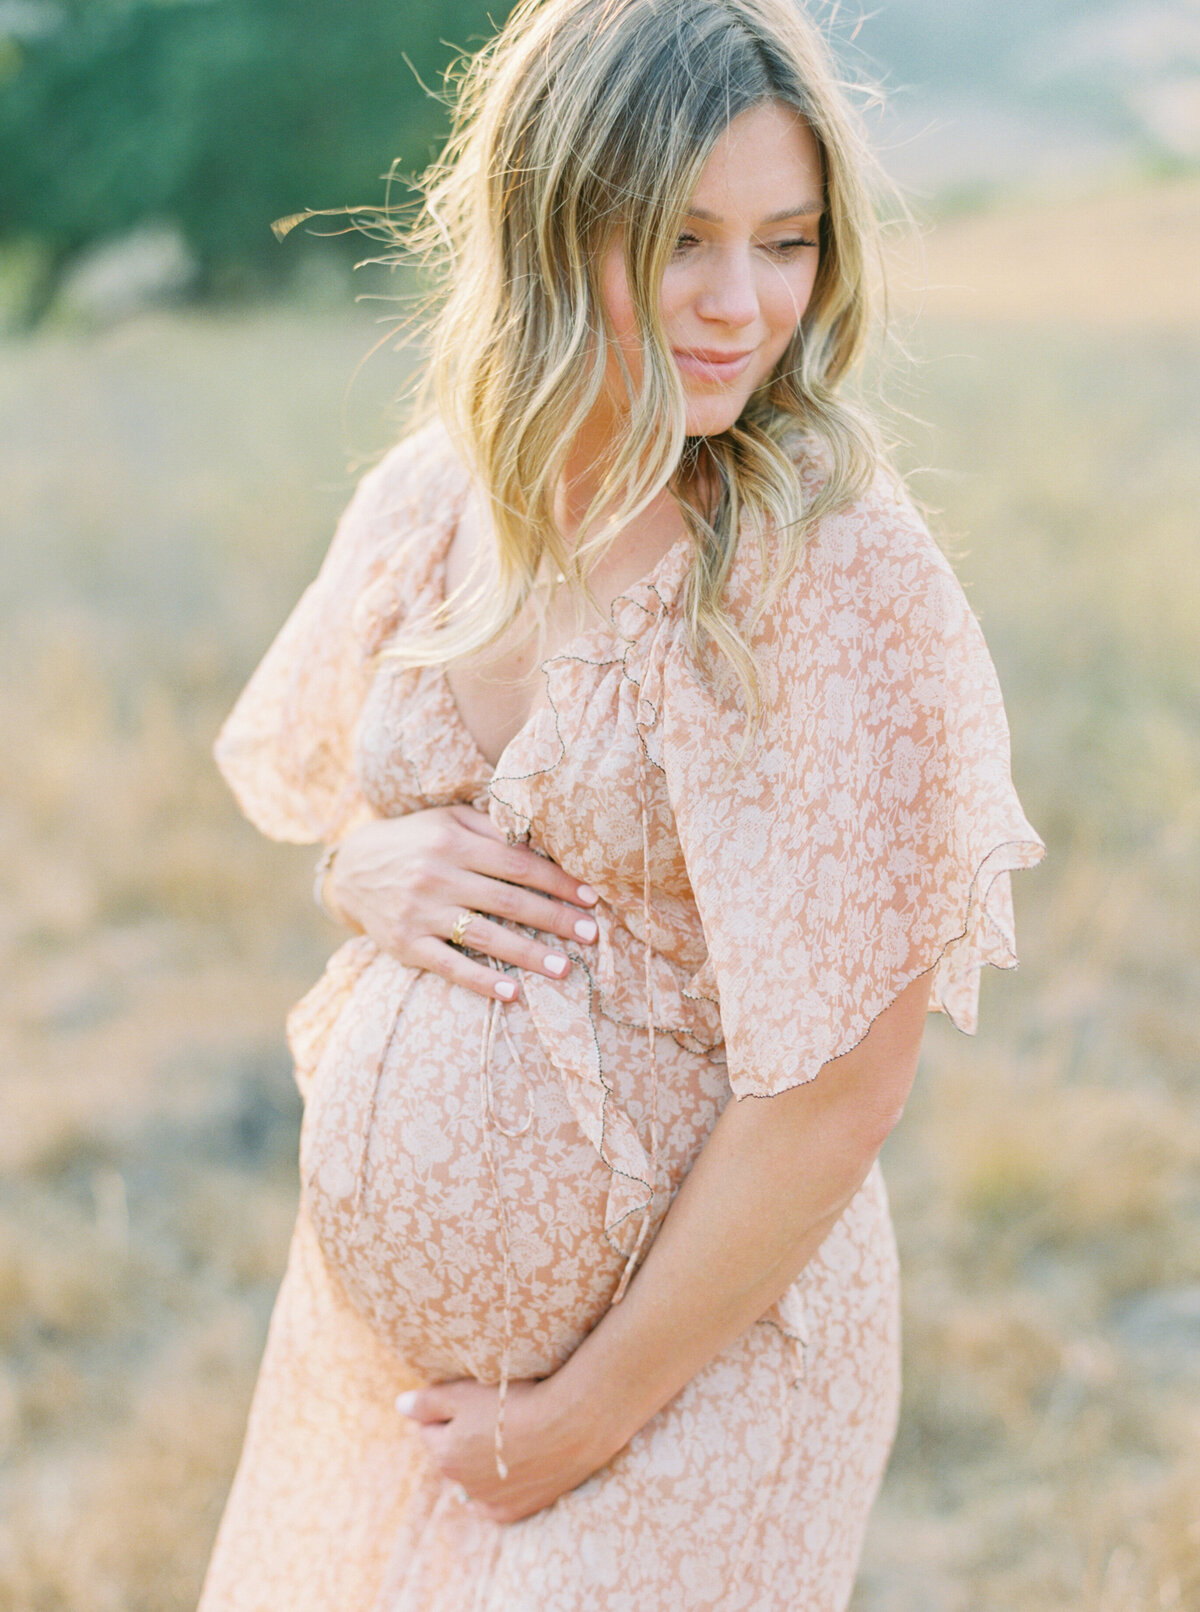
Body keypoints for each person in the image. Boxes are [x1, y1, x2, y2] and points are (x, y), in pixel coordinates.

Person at [199, 0, 1044, 1607]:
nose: (743, 308)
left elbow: (848, 1087)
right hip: (396, 1372)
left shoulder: (831, 563)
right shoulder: (439, 500)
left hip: (693, 1378)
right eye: (681, 242)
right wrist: (360, 871)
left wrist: (585, 1412)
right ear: (548, 221)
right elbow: (341, 818)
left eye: (787, 244)